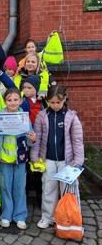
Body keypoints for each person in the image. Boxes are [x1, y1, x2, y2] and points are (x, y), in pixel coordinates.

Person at [30, 86, 84, 229]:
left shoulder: (72, 117)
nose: (54, 105)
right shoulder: (42, 116)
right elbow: (38, 138)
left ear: (64, 100)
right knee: (48, 188)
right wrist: (35, 157)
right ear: (47, 101)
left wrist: (78, 161)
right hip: (48, 159)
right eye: (51, 102)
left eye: (57, 103)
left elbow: (77, 140)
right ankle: (47, 217)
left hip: (67, 161)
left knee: (68, 190)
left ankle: (68, 218)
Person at [0, 87, 36, 230]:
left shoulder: (24, 116)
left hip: (20, 159)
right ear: (5, 102)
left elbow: (30, 137)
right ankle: (6, 215)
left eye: (15, 99)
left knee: (19, 188)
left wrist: (33, 138)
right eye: (9, 100)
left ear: (20, 101)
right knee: (5, 187)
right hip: (4, 159)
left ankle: (20, 216)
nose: (12, 102)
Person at [20, 75, 48, 204]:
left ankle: (39, 194)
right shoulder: (22, 101)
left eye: (29, 88)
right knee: (25, 167)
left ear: (36, 88)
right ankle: (24, 195)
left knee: (37, 166)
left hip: (39, 139)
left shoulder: (42, 102)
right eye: (24, 87)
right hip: (25, 138)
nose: (26, 90)